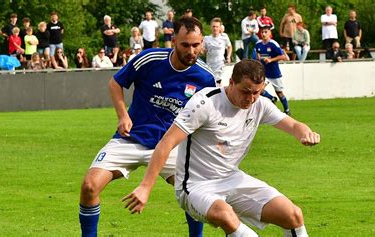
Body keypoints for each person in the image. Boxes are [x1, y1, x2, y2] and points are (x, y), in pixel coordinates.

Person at [123, 59, 320, 237]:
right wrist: (145, 187)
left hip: (232, 178)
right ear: (231, 82)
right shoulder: (205, 103)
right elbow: (166, 143)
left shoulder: (260, 104)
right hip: (195, 186)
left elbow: (294, 125)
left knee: (293, 215)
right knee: (229, 218)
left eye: (256, 92)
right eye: (246, 91)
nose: (250, 99)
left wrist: (304, 133)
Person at [79, 16, 216, 237]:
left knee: (195, 194)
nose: (191, 51)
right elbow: (116, 83)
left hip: (171, 147)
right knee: (89, 186)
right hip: (130, 139)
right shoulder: (150, 59)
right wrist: (123, 115)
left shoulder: (206, 77)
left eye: (196, 45)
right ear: (173, 41)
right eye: (185, 45)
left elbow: (207, 115)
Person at [255, 26, 291, 115]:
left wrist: (271, 60)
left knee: (279, 92)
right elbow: (258, 55)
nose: (263, 34)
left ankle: (287, 110)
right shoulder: (258, 44)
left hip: (274, 73)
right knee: (259, 89)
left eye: (266, 32)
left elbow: (284, 57)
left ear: (270, 34)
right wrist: (258, 60)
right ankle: (271, 98)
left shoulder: (273, 44)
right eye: (262, 32)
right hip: (264, 73)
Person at [203, 17, 232, 86]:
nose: (215, 28)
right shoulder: (207, 38)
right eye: (213, 26)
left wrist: (228, 56)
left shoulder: (224, 37)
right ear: (211, 27)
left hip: (220, 65)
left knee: (219, 83)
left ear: (219, 28)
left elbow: (229, 46)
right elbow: (203, 51)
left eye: (217, 27)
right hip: (210, 65)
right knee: (211, 84)